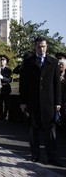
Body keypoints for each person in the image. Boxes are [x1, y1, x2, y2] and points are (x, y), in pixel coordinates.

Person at [19, 37, 63, 167]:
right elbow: (23, 83)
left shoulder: (53, 62)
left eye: (43, 46)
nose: (41, 49)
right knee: (34, 130)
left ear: (47, 47)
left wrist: (58, 102)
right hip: (33, 101)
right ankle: (35, 155)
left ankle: (52, 157)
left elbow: (57, 84)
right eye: (39, 46)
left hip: (49, 102)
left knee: (50, 130)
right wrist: (23, 101)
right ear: (35, 47)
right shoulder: (28, 62)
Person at [0, 54, 13, 120]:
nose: (2, 61)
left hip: (6, 88)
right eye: (1, 60)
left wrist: (2, 77)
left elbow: (9, 80)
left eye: (3, 60)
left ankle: (5, 115)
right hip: (0, 88)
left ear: (6, 61)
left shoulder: (9, 70)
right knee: (0, 103)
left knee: (6, 103)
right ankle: (1, 115)